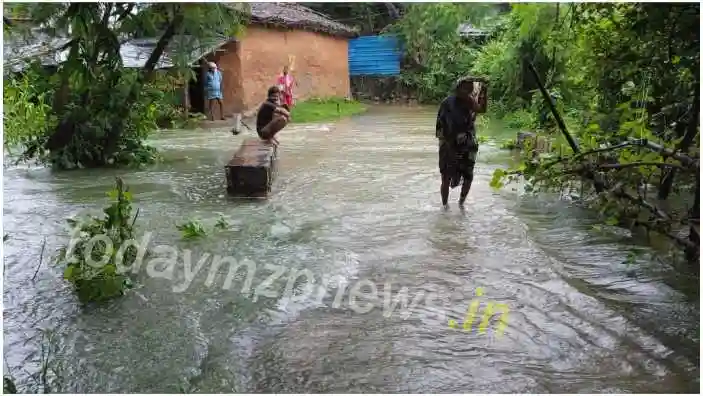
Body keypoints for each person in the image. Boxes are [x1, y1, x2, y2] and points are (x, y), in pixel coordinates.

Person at [436, 76, 488, 208]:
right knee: (446, 177)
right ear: (458, 89)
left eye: (470, 88)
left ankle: (461, 204)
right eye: (466, 88)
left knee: (468, 175)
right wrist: (449, 144)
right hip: (449, 144)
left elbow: (481, 109)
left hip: (467, 143)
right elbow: (441, 127)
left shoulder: (469, 101)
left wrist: (484, 93)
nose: (469, 90)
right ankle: (445, 206)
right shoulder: (447, 103)